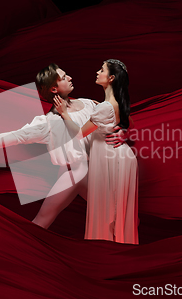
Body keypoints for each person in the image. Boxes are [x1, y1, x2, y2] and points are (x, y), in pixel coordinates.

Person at [0, 63, 128, 229]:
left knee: (115, 216)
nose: (70, 78)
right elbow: (15, 136)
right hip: (74, 173)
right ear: (54, 89)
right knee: (43, 220)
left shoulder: (89, 104)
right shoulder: (48, 123)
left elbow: (116, 118)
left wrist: (122, 132)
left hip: (96, 172)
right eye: (64, 77)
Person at [53, 59, 139, 244]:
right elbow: (130, 124)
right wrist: (123, 133)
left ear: (111, 78)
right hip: (118, 155)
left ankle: (109, 251)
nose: (97, 72)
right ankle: (117, 248)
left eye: (102, 70)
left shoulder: (104, 107)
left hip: (112, 158)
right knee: (115, 209)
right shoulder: (114, 102)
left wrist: (64, 114)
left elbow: (79, 134)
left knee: (109, 210)